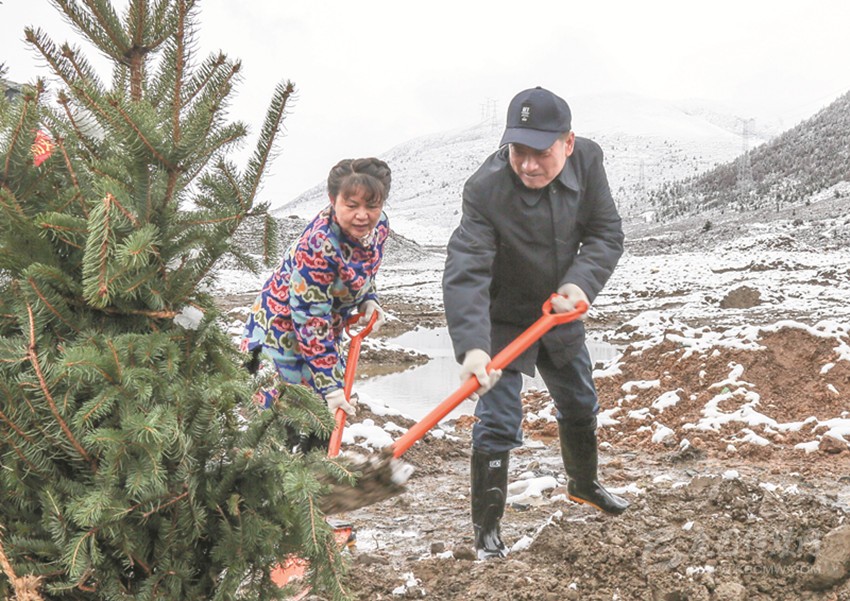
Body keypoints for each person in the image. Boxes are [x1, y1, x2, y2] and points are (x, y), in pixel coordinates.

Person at [442, 86, 628, 560]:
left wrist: (580, 284)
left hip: (558, 308)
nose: (527, 165)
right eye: (517, 151)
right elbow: (466, 270)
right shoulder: (484, 190)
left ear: (568, 143)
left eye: (540, 152)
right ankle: (486, 532)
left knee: (580, 401)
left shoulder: (589, 162)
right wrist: (473, 347)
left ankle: (583, 485)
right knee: (498, 421)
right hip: (502, 318)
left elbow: (606, 233)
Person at [241, 157, 392, 450]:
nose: (363, 215)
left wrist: (368, 299)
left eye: (372, 206)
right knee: (283, 417)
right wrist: (331, 387)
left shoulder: (380, 227)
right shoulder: (319, 244)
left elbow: (366, 267)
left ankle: (318, 471)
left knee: (321, 419)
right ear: (333, 200)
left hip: (324, 328)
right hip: (280, 331)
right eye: (352, 205)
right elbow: (310, 319)